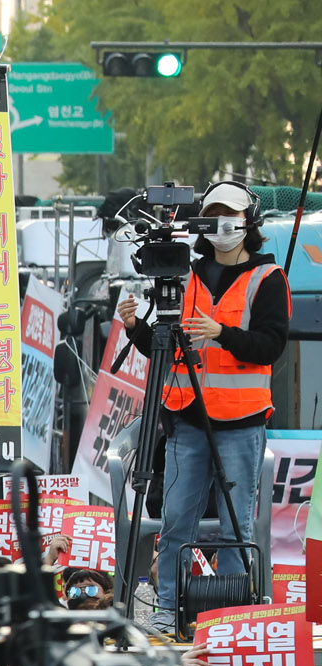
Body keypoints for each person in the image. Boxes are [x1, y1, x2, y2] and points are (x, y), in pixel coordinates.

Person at [118, 182, 290, 637]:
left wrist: (220, 332)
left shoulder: (267, 279)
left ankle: (231, 618)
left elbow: (271, 347)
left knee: (238, 524)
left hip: (241, 421)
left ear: (248, 221)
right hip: (188, 418)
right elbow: (165, 348)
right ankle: (167, 611)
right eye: (211, 214)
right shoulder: (185, 274)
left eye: (228, 214)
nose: (220, 223)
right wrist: (136, 327)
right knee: (176, 520)